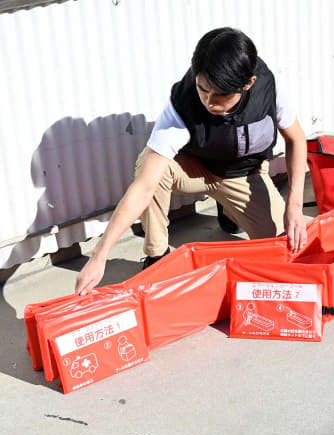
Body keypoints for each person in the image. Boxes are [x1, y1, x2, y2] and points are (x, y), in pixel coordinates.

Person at [75, 27, 308, 295]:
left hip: (244, 174)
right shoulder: (182, 103)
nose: (209, 102)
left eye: (221, 95)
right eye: (203, 89)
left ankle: (229, 207)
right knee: (149, 166)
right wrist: (99, 255)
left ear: (248, 84)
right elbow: (145, 186)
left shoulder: (268, 89)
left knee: (283, 249)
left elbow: (296, 140)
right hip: (195, 170)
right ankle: (157, 256)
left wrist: (294, 206)